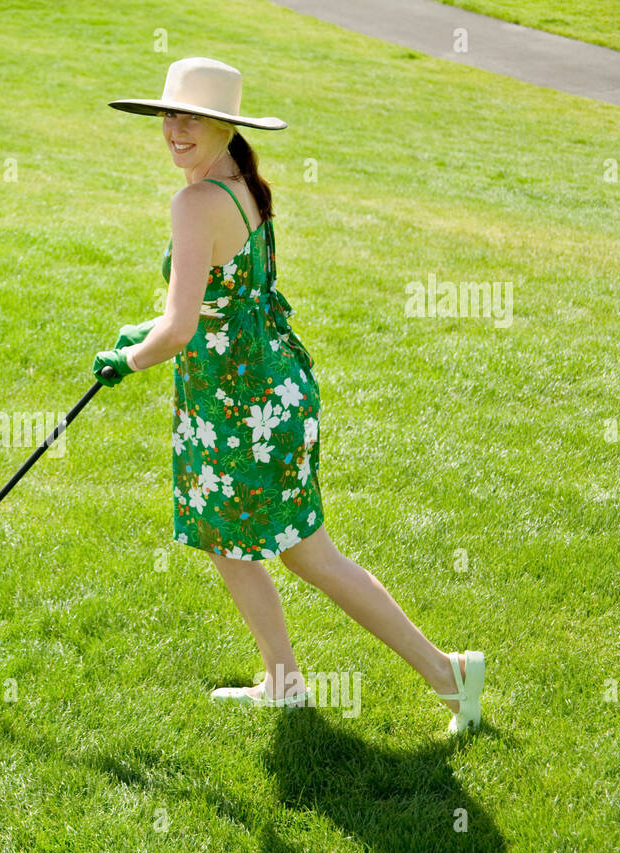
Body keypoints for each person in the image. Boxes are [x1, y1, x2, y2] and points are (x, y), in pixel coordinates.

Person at [94, 57, 484, 733]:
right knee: (278, 550)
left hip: (238, 408)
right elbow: (223, 297)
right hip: (270, 392)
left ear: (224, 124)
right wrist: (153, 326)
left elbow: (181, 327)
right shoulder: (242, 184)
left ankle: (444, 673)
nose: (175, 128)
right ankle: (291, 681)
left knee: (291, 553)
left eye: (192, 116)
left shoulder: (194, 202)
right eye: (169, 114)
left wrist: (129, 357)